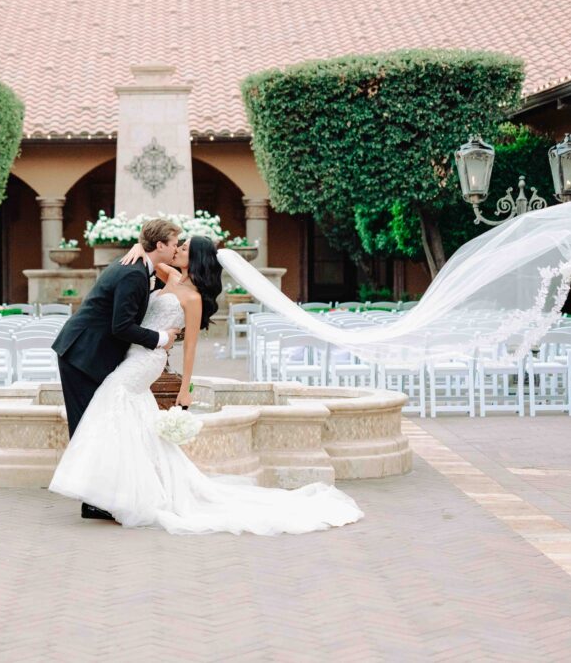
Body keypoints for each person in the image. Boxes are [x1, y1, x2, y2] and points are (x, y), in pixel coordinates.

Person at [48, 235, 364, 535]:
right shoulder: (170, 276)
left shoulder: (194, 298)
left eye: (184, 248)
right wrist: (136, 245)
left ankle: (109, 491)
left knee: (111, 401)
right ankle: (116, 490)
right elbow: (149, 256)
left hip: (145, 361)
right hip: (133, 352)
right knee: (130, 418)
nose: (178, 250)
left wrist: (187, 388)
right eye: (178, 245)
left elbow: (190, 349)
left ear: (195, 257)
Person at [51, 218, 182, 521]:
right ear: (160, 245)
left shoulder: (141, 266)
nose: (176, 248)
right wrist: (162, 338)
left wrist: (139, 244)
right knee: (87, 425)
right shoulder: (134, 274)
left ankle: (98, 497)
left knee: (97, 424)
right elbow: (121, 326)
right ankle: (92, 500)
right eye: (174, 243)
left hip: (92, 353)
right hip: (82, 354)